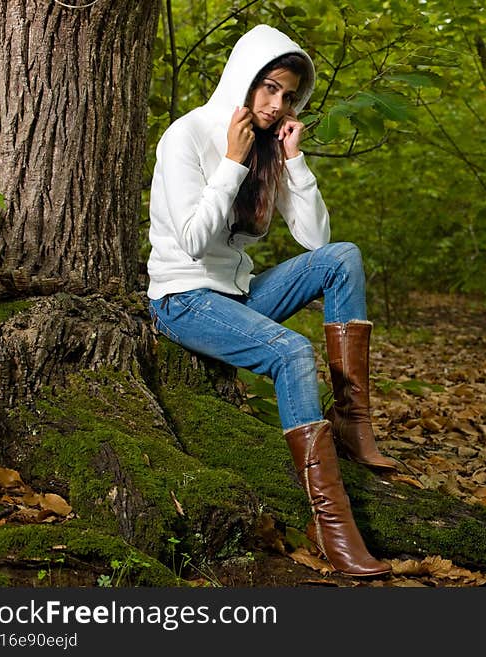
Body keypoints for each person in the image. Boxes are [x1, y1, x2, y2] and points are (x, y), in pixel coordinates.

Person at [145, 24, 397, 577]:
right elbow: (190, 241)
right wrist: (232, 163)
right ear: (244, 79)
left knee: (344, 257)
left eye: (286, 95)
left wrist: (294, 162)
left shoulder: (266, 147)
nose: (275, 103)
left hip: (238, 298)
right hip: (184, 300)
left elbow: (316, 241)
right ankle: (333, 526)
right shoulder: (185, 138)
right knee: (290, 352)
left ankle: (354, 422)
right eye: (268, 88)